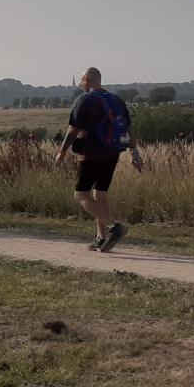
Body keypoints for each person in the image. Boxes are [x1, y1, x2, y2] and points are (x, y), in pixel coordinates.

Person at [56, 67, 142, 252]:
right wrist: (134, 154)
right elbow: (129, 129)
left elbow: (73, 130)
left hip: (91, 152)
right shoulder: (116, 100)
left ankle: (113, 227)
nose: (80, 83)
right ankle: (101, 237)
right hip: (113, 152)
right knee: (100, 193)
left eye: (81, 80)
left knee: (81, 194)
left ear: (87, 79)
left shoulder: (84, 100)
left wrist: (62, 151)